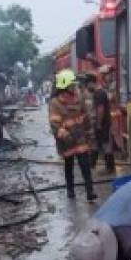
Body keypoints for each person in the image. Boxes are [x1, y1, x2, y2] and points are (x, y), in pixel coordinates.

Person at [49, 68, 97, 202]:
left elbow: (85, 116)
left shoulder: (79, 98)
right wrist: (65, 136)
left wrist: (89, 133)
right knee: (69, 166)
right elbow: (55, 124)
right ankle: (70, 190)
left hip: (80, 138)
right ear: (65, 86)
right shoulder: (55, 103)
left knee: (85, 165)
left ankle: (90, 191)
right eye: (72, 84)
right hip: (67, 141)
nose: (74, 86)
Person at [87, 71, 115, 173]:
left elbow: (100, 109)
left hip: (103, 124)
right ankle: (91, 165)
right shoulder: (98, 93)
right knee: (95, 143)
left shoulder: (99, 93)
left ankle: (110, 168)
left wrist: (98, 123)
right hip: (100, 124)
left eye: (87, 85)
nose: (87, 88)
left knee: (106, 145)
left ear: (91, 83)